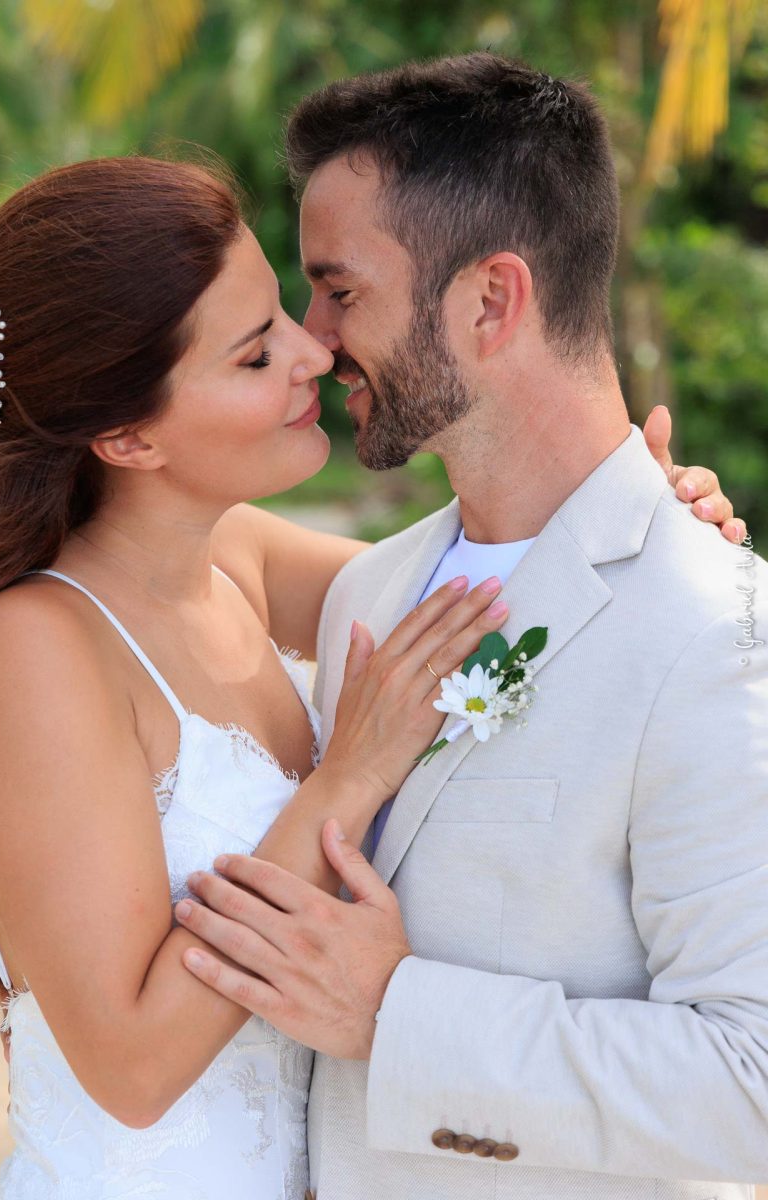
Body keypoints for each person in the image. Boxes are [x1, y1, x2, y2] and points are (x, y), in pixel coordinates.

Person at [176, 54, 768, 1200]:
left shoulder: (714, 631)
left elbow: (751, 1087)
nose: (310, 338)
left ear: (491, 300)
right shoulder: (366, 595)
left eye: (340, 291)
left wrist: (401, 1016)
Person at [0, 154, 542, 1199]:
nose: (311, 355)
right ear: (128, 436)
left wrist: (644, 515)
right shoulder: (33, 646)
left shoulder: (237, 557)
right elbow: (131, 1068)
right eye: (251, 355)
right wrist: (342, 784)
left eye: (283, 313)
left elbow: (488, 603)